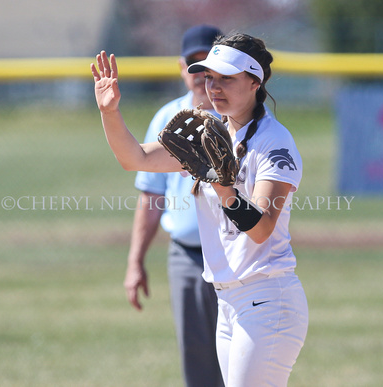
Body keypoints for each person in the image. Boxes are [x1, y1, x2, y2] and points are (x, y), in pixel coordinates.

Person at [91, 31, 308, 387]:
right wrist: (110, 112)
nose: (213, 87)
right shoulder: (212, 133)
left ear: (255, 82)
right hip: (230, 303)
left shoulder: (274, 143)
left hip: (267, 302)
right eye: (209, 77)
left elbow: (262, 228)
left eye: (226, 78)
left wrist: (223, 186)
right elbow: (135, 159)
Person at [124, 25, 224, 387]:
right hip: (186, 255)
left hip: (236, 254)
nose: (201, 73)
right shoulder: (167, 119)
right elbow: (151, 197)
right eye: (193, 63)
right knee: (197, 357)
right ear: (181, 67)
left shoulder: (242, 118)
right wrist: (136, 260)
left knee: (243, 356)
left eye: (209, 62)